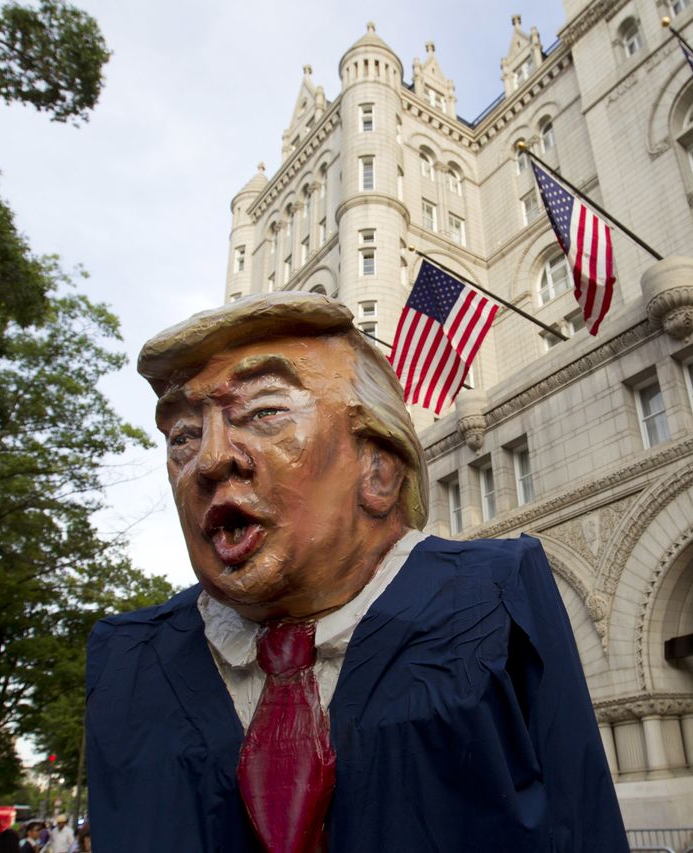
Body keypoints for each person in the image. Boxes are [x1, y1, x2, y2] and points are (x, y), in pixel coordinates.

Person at [86, 292, 627, 851]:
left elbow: (579, 820)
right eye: (183, 437)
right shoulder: (127, 657)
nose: (212, 459)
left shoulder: (496, 593)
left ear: (379, 470)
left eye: (265, 413)